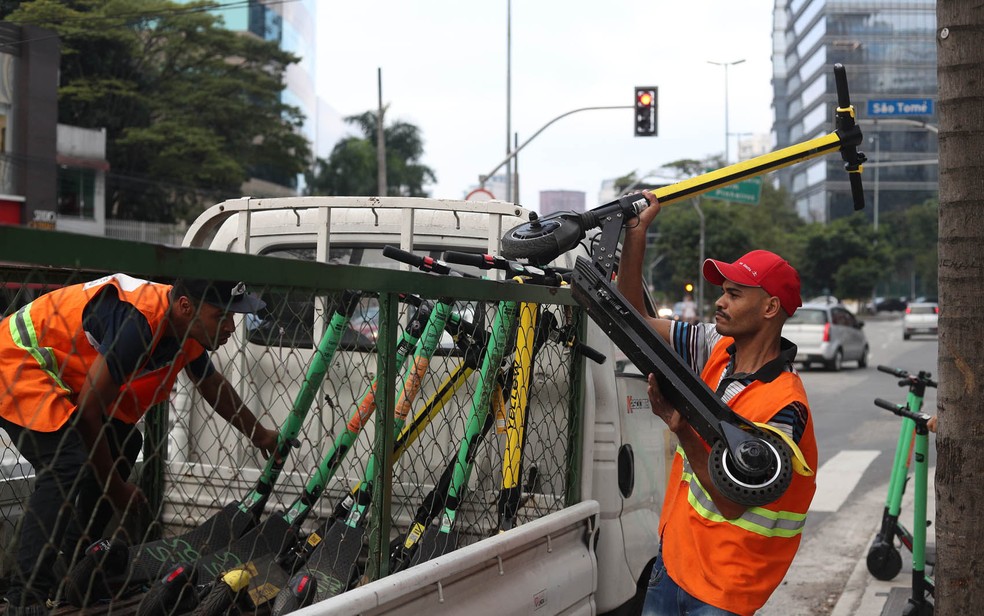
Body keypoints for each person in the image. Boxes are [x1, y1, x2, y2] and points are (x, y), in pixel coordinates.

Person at [0, 274, 279, 615]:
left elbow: (210, 384)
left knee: (125, 441)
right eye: (221, 316)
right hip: (15, 360)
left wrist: (260, 434)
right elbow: (89, 413)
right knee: (65, 463)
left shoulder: (183, 326)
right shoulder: (138, 323)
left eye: (233, 316)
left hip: (55, 375)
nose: (231, 327)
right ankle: (24, 597)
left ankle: (71, 568)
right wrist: (116, 487)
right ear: (186, 306)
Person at [617, 193, 817, 616]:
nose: (720, 302)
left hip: (724, 591)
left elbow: (733, 502)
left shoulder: (786, 406)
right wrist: (637, 236)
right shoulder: (716, 347)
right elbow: (633, 320)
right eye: (723, 292)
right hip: (673, 563)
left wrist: (681, 428)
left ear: (770, 307)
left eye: (734, 294)